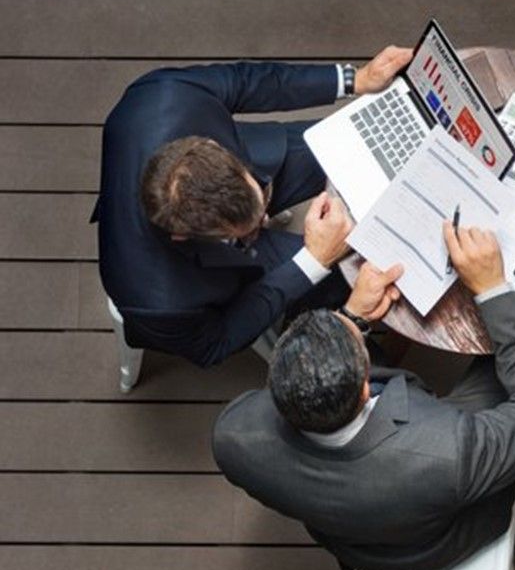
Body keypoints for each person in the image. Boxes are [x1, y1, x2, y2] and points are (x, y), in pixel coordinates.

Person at [213, 221, 515, 570]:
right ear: (364, 388)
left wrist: (353, 316)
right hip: (440, 536)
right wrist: (492, 291)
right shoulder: (446, 452)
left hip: (358, 542)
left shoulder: (233, 435)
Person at [93, 47, 412, 366]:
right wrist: (314, 261)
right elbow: (216, 343)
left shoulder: (165, 95)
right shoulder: (160, 302)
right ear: (180, 236)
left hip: (256, 158)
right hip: (221, 273)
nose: (266, 218)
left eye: (260, 204)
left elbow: (247, 81)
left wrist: (356, 79)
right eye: (252, 224)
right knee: (342, 275)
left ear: (211, 145)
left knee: (353, 141)